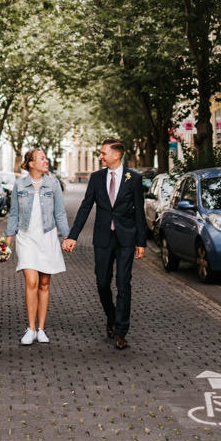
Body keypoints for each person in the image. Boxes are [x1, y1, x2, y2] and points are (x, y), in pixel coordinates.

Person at [62, 138, 146, 350]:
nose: (100, 156)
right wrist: (73, 235)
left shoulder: (133, 178)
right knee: (102, 282)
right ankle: (111, 315)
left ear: (116, 155)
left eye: (103, 153)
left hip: (126, 238)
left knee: (123, 284)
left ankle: (120, 331)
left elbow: (139, 211)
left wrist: (141, 242)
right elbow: (85, 206)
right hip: (103, 238)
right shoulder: (97, 178)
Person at [6, 148, 70, 346]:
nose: (46, 160)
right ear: (31, 164)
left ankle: (41, 329)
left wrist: (67, 236)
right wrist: (7, 241)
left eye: (45, 157)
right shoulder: (19, 184)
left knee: (44, 284)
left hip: (47, 236)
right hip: (26, 237)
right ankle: (30, 328)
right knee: (31, 281)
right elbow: (14, 214)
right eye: (41, 158)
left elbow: (59, 212)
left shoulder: (53, 184)